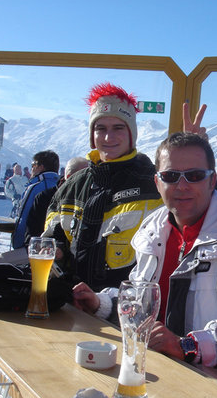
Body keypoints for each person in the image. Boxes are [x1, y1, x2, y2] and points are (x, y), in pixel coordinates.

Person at [73, 132, 217, 396]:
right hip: (156, 378)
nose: (182, 185)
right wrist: (102, 303)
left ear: (212, 182)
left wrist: (189, 346)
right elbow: (144, 303)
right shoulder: (150, 234)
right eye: (171, 176)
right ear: (157, 182)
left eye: (195, 176)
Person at [43, 83, 164, 290]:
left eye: (118, 128)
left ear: (131, 134)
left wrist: (194, 163)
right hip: (72, 308)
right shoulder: (71, 186)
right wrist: (58, 250)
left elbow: (202, 209)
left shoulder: (154, 184)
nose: (109, 137)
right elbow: (52, 237)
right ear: (92, 135)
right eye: (101, 128)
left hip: (126, 311)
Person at [10, 150, 60, 249]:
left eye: (33, 165)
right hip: (55, 247)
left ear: (41, 167)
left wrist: (18, 243)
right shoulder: (62, 186)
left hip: (33, 246)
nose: (31, 168)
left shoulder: (35, 187)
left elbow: (23, 218)